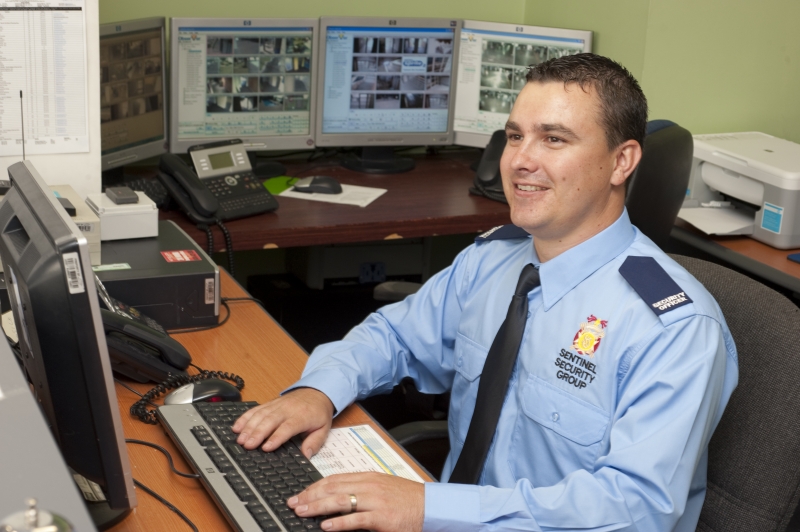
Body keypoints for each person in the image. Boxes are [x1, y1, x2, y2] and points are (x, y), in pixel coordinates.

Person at [233, 53, 738, 532]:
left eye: (553, 139)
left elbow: (636, 510)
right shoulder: (494, 259)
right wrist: (319, 391)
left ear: (622, 161)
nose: (520, 160)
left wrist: (429, 507)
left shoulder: (675, 328)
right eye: (515, 136)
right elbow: (394, 336)